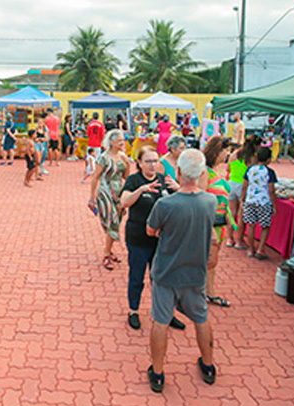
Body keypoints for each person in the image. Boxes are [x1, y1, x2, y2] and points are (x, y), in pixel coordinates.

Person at [145, 149, 218, 391]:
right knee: (201, 317)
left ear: (178, 171)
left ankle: (157, 372)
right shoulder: (210, 201)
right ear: (202, 173)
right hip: (195, 273)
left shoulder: (166, 204)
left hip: (166, 272)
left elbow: (150, 231)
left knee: (161, 320)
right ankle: (208, 365)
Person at [120, 146, 185, 331]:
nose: (152, 165)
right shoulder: (134, 180)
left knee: (161, 279)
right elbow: (124, 202)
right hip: (138, 238)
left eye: (155, 161)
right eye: (148, 161)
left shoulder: (165, 181)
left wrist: (178, 188)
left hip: (161, 240)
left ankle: (166, 313)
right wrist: (141, 190)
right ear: (139, 163)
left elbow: (182, 204)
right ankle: (133, 311)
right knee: (137, 276)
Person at [89, 130, 130, 270]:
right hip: (106, 193)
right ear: (111, 142)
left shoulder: (123, 157)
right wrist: (92, 197)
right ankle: (106, 254)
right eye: (119, 141)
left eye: (123, 141)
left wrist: (128, 164)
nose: (122, 143)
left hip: (119, 193)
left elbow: (126, 177)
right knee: (112, 222)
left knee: (116, 222)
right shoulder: (104, 158)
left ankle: (109, 250)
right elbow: (95, 177)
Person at [203, 136, 235, 307]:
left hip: (221, 221)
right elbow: (199, 196)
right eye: (226, 151)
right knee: (209, 260)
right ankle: (201, 292)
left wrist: (229, 218)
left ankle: (209, 292)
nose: (228, 155)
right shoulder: (205, 172)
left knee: (213, 261)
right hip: (209, 222)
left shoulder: (220, 170)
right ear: (217, 151)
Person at [241, 147, 277, 259]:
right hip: (264, 202)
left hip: (250, 200)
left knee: (251, 225)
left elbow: (244, 186)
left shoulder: (250, 170)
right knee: (265, 226)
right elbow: (271, 190)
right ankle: (261, 249)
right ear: (268, 160)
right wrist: (274, 205)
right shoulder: (270, 172)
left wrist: (242, 199)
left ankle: (251, 249)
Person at [227, 134, 261, 249]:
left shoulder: (234, 154)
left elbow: (228, 168)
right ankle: (239, 240)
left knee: (232, 213)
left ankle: (229, 238)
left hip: (231, 183)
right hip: (244, 186)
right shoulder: (252, 158)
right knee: (242, 215)